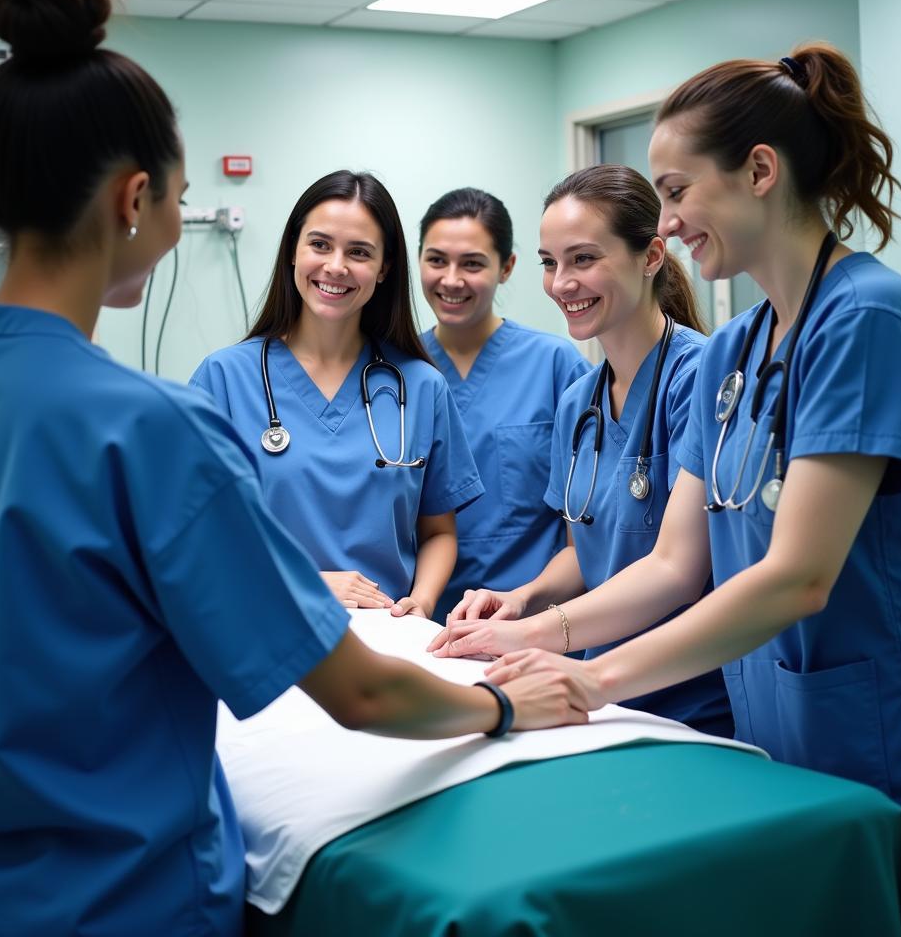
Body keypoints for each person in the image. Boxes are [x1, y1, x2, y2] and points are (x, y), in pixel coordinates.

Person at [0, 0, 588, 937]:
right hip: (123, 895)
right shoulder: (150, 423)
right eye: (181, 198)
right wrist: (500, 704)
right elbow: (354, 691)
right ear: (135, 198)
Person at [433, 43, 901, 886]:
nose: (664, 221)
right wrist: (531, 640)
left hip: (875, 728)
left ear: (761, 171)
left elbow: (797, 578)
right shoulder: (738, 349)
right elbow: (676, 564)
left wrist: (593, 678)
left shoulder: (870, 319)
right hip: (764, 726)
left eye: (676, 192)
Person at [433, 167, 732, 737]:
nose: (561, 283)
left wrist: (531, 635)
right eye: (550, 262)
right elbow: (586, 551)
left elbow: (678, 571)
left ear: (650, 257)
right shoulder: (579, 402)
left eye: (584, 259)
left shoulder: (699, 379)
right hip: (604, 694)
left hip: (691, 697)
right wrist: (521, 599)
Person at [190, 171, 483, 620]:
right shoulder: (225, 378)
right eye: (320, 245)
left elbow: (439, 531)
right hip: (262, 625)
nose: (336, 266)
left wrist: (421, 603)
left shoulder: (422, 387)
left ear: (384, 268)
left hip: (387, 636)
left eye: (359, 252)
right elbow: (196, 532)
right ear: (293, 251)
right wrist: (309, 581)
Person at [417, 188, 588, 622]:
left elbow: (583, 530)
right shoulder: (397, 373)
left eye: (472, 263)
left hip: (534, 618)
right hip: (422, 621)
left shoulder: (555, 365)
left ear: (507, 267)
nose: (451, 279)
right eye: (436, 260)